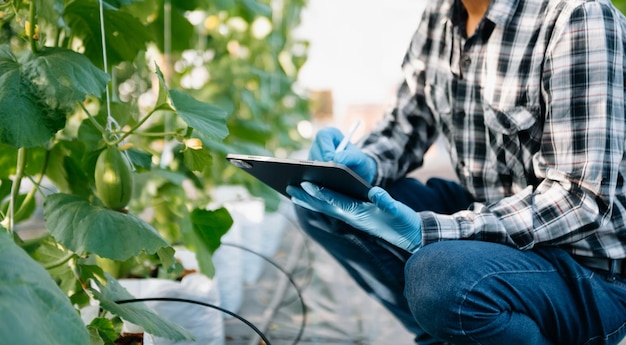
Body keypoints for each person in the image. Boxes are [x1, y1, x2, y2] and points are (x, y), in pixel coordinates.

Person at [287, 0, 626, 343]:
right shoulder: (441, 14)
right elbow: (407, 123)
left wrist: (434, 230)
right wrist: (366, 162)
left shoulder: (578, 17)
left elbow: (579, 198)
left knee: (439, 278)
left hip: (588, 273)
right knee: (322, 196)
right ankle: (453, 333)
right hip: (495, 224)